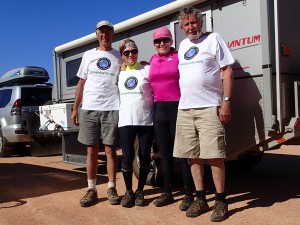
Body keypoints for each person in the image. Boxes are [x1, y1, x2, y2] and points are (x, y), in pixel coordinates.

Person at [173, 7, 234, 222]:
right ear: (181, 27)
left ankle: (220, 200)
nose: (191, 27)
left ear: (201, 22)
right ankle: (201, 198)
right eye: (186, 24)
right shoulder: (182, 46)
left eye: (194, 22)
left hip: (210, 106)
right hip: (185, 108)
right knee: (192, 156)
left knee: (215, 155)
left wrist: (225, 102)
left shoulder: (214, 39)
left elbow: (227, 71)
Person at [71, 20, 122, 207]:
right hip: (89, 108)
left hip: (111, 108)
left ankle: (111, 187)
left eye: (108, 32)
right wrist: (75, 108)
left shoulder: (119, 56)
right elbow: (81, 83)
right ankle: (91, 189)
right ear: (96, 34)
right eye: (101, 32)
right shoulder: (88, 55)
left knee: (110, 150)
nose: (105, 35)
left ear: (112, 35)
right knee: (91, 150)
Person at [149, 27, 194, 210]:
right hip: (158, 110)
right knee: (165, 155)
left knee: (182, 154)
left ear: (171, 41)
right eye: (158, 41)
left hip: (177, 107)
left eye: (165, 40)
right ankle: (167, 192)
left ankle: (189, 194)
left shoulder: (178, 57)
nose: (162, 44)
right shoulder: (151, 60)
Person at [117, 39, 154, 208]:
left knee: (145, 156)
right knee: (127, 156)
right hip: (125, 121)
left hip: (145, 120)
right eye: (127, 52)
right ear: (122, 55)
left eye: (134, 51)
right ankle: (128, 191)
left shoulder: (146, 68)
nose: (131, 54)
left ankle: (140, 191)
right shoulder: (119, 73)